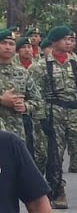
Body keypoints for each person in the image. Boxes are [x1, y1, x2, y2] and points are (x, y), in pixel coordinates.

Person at [36, 26, 77, 210]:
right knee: (55, 156)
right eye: (65, 39)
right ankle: (58, 192)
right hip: (53, 112)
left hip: (75, 113)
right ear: (54, 41)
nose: (69, 42)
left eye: (71, 39)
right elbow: (36, 93)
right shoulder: (41, 65)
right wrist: (42, 117)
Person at [0, 28, 44, 169]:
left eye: (11, 44)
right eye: (3, 43)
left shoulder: (22, 73)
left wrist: (26, 106)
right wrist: (2, 100)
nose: (7, 47)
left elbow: (37, 100)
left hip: (16, 132)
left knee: (14, 173)